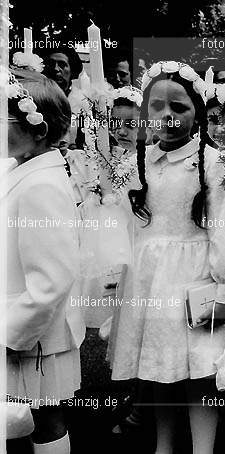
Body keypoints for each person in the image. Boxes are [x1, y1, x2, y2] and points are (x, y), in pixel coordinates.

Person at [109, 61, 225, 454]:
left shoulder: (213, 165)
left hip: (197, 279)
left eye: (178, 107)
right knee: (158, 369)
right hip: (151, 279)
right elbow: (125, 219)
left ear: (197, 111)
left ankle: (203, 448)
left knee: (199, 371)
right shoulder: (138, 163)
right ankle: (163, 445)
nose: (166, 115)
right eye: (157, 106)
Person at [3, 70, 85, 454]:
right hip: (22, 320)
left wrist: (12, 335)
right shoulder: (18, 167)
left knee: (44, 419)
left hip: (35, 333)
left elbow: (52, 277)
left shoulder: (41, 186)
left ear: (38, 131)